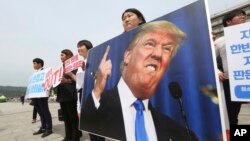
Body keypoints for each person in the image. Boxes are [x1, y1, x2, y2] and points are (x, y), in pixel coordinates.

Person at [81, 21, 197, 141]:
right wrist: (98, 89)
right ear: (128, 56)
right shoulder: (97, 105)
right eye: (150, 44)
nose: (158, 54)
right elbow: (87, 122)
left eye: (167, 49)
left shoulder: (182, 134)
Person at [214, 9, 247, 125]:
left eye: (244, 15)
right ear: (228, 21)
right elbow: (209, 57)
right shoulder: (220, 41)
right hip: (232, 82)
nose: (243, 17)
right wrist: (217, 72)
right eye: (239, 16)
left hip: (247, 78)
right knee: (232, 115)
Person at [56, 49, 82, 141]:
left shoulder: (74, 66)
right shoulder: (61, 68)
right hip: (62, 95)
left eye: (62, 55)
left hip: (70, 94)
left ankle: (75, 136)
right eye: (60, 55)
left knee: (72, 117)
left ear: (68, 55)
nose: (60, 57)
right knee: (66, 117)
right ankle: (68, 136)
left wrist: (67, 80)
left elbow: (78, 80)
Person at [32, 58, 53, 138]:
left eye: (34, 63)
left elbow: (49, 82)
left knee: (45, 112)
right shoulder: (35, 74)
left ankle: (49, 128)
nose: (33, 65)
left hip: (42, 95)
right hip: (35, 96)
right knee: (40, 112)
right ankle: (43, 127)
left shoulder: (45, 72)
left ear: (40, 64)